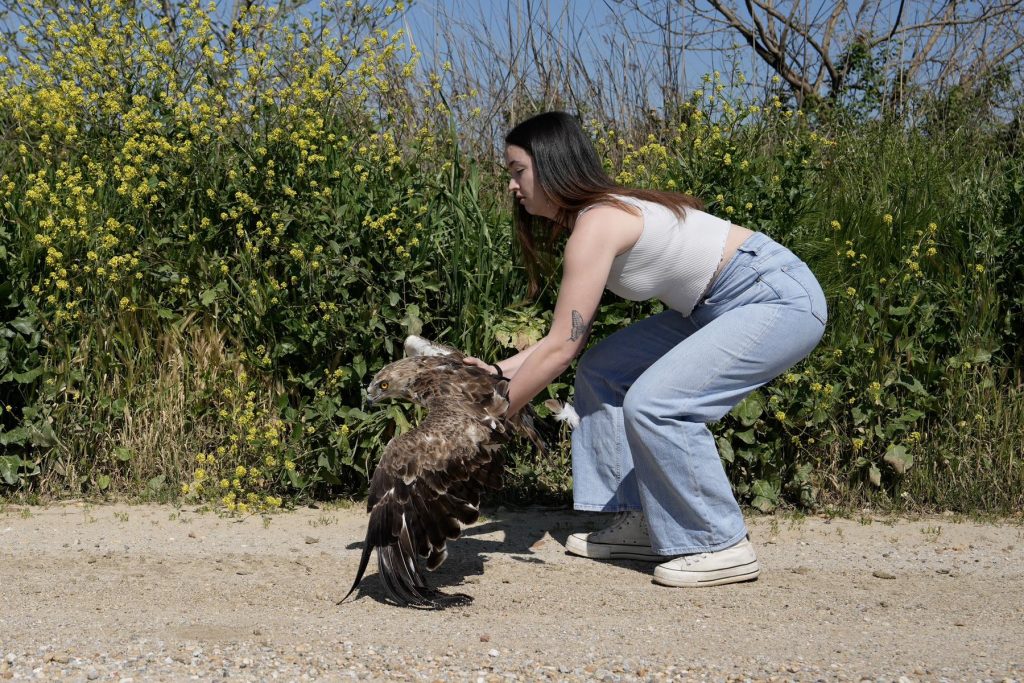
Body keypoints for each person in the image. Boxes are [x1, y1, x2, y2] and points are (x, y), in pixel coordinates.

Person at [464, 111, 827, 587]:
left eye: (518, 171)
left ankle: (720, 543)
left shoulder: (598, 224)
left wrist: (492, 415)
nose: (512, 186)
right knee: (605, 369)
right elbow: (565, 339)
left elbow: (559, 350)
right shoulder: (593, 220)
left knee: (657, 403)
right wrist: (496, 372)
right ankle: (642, 521)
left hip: (774, 296)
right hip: (710, 306)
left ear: (552, 166)